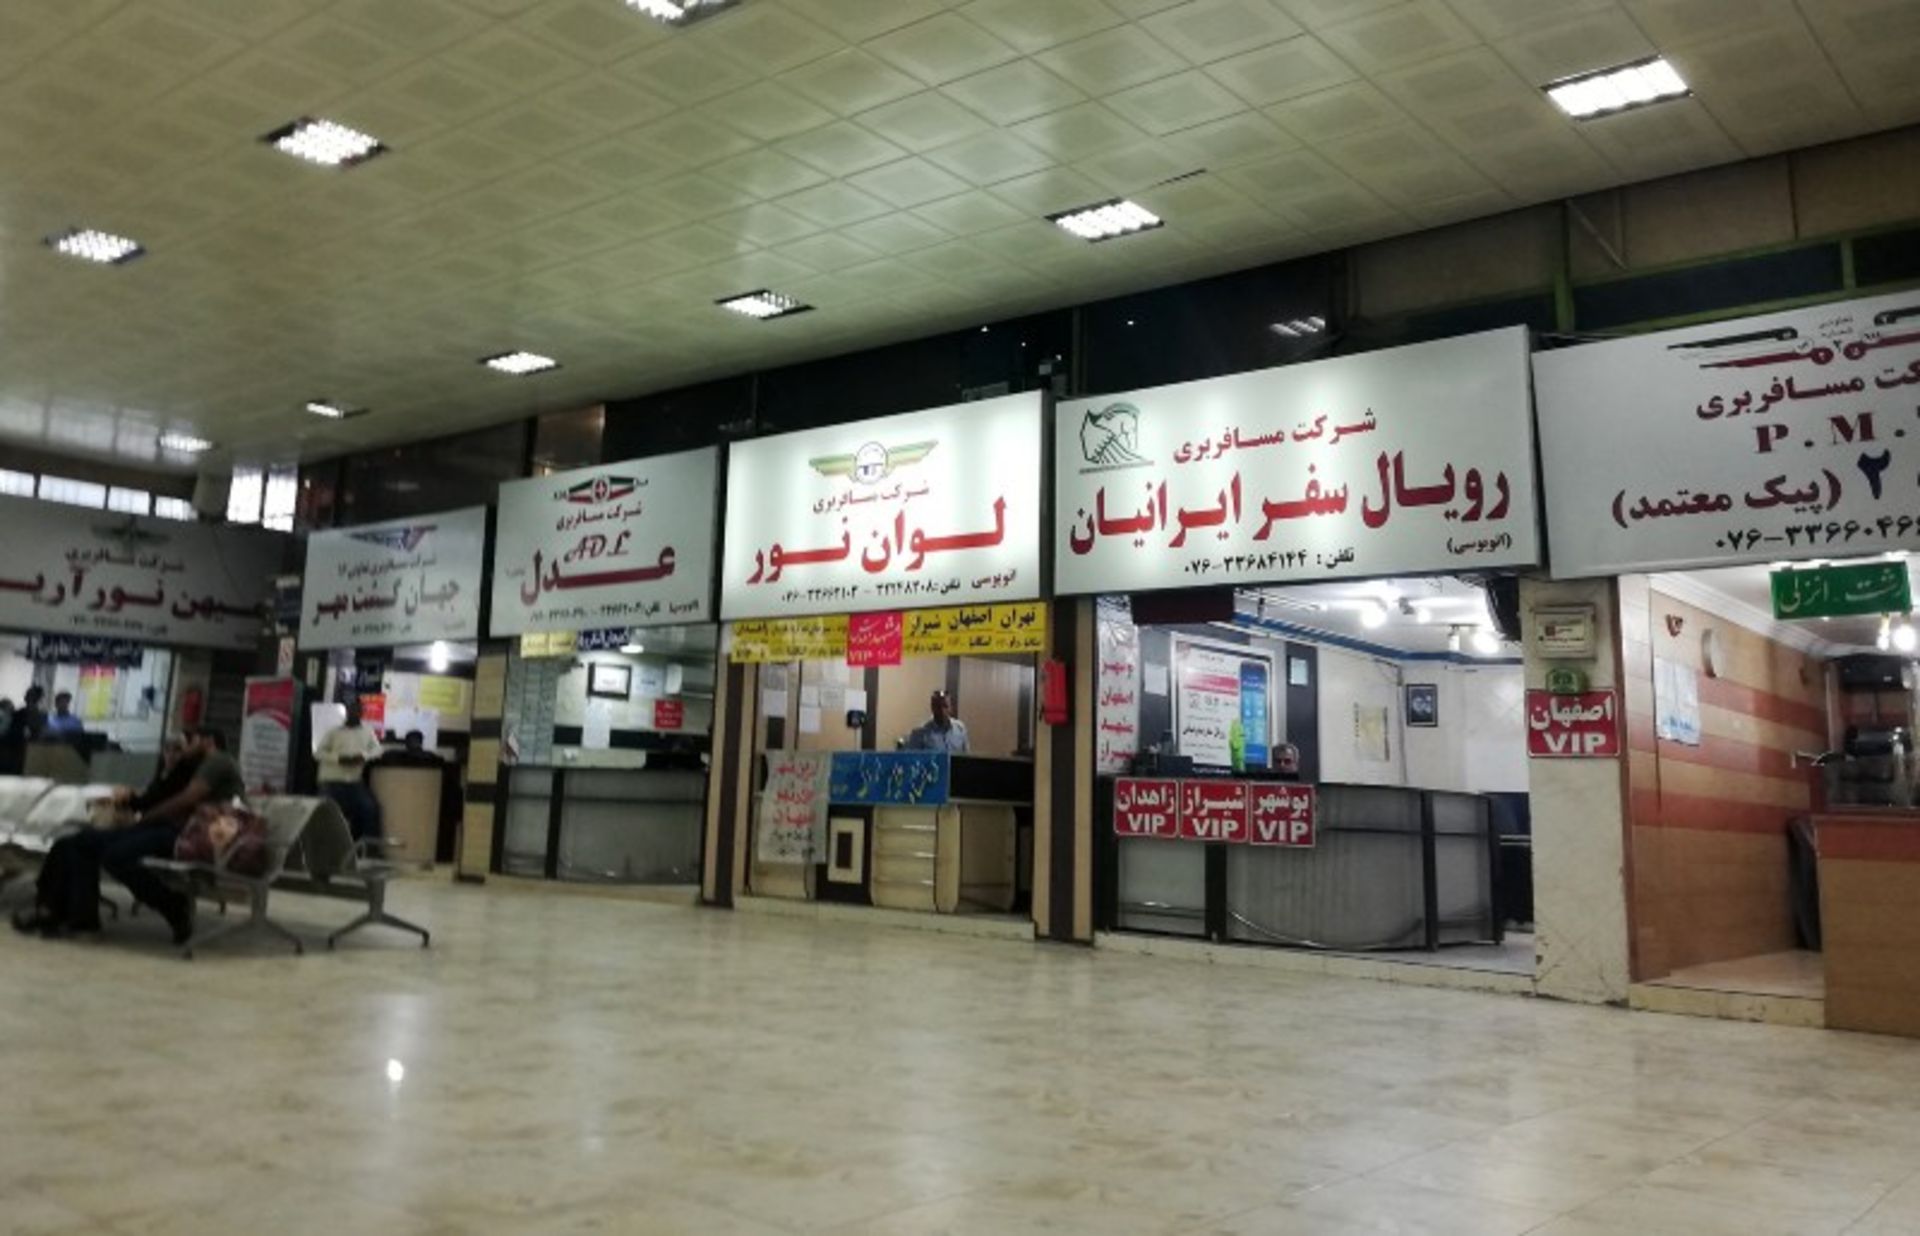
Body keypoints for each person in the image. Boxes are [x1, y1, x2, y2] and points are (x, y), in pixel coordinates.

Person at [13, 728, 244, 943]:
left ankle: (173, 906)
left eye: (185, 744)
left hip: (179, 833)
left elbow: (185, 799)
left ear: (206, 741)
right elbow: (154, 798)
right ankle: (60, 914)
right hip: (158, 826)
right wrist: (131, 801)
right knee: (72, 843)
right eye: (169, 748)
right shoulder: (180, 769)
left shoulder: (211, 763)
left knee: (111, 854)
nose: (176, 752)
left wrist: (144, 816)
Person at [317, 699, 385, 842]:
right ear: (347, 712)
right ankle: (328, 848)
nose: (354, 713)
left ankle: (369, 849)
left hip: (354, 781)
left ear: (362, 713)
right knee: (329, 815)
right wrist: (338, 758)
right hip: (331, 780)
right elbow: (318, 752)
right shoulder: (334, 731)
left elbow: (378, 750)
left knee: (370, 808)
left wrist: (363, 756)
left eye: (358, 710)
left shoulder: (367, 731)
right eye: (351, 710)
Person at [904, 690, 970, 753]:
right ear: (932, 708)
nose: (942, 710)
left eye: (945, 706)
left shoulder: (960, 728)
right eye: (938, 706)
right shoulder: (920, 732)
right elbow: (913, 760)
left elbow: (966, 757)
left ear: (951, 708)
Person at [0, 685, 46, 774]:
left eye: (29, 695)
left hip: (25, 753)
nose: (26, 697)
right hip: (14, 751)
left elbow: (37, 735)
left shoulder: (40, 716)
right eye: (27, 695)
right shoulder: (18, 713)